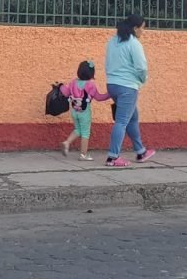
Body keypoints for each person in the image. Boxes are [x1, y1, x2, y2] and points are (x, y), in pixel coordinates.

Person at [103, 13, 156, 168]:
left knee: (132, 117)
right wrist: (143, 79)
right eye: (142, 28)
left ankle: (141, 151)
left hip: (112, 85)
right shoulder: (134, 44)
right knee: (121, 121)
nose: (142, 32)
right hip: (127, 87)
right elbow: (141, 67)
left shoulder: (113, 42)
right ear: (135, 28)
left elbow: (107, 63)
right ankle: (112, 157)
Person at [60, 60, 107, 161]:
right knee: (85, 133)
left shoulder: (73, 82)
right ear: (92, 73)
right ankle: (83, 155)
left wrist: (60, 86)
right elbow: (98, 97)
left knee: (78, 129)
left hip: (74, 111)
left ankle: (67, 142)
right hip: (84, 113)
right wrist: (110, 94)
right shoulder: (90, 85)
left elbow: (65, 92)